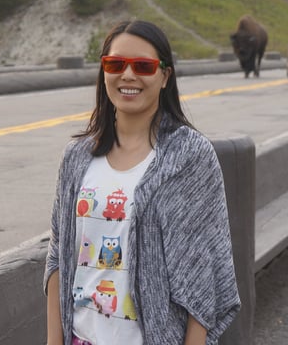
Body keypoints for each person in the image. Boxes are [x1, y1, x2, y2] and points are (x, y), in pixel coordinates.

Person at [44, 20, 240, 345]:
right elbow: (58, 257)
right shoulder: (77, 157)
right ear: (104, 71)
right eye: (116, 64)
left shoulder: (189, 156)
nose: (129, 75)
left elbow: (203, 273)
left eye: (144, 66)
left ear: (165, 76)